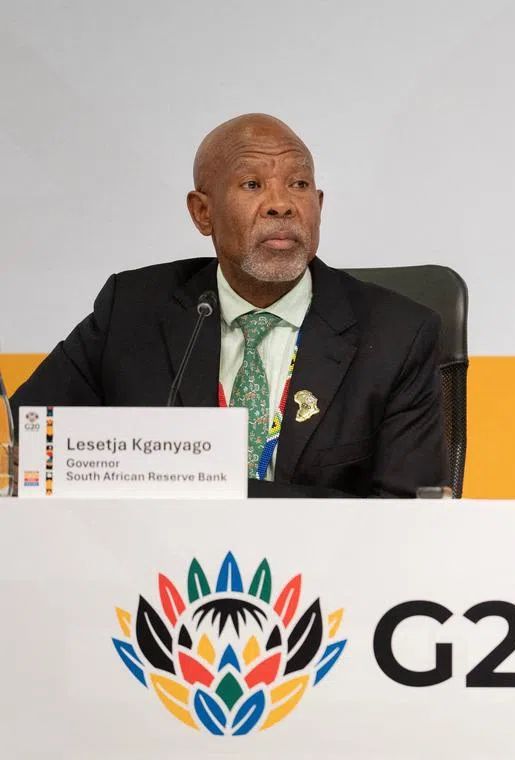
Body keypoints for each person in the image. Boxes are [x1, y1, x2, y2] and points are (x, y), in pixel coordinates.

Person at [13, 113, 445, 498]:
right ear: (203, 213)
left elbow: (406, 516)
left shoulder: (396, 335)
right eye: (253, 184)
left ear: (319, 206)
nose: (282, 204)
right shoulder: (134, 310)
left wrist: (208, 490)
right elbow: (32, 441)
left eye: (299, 184)